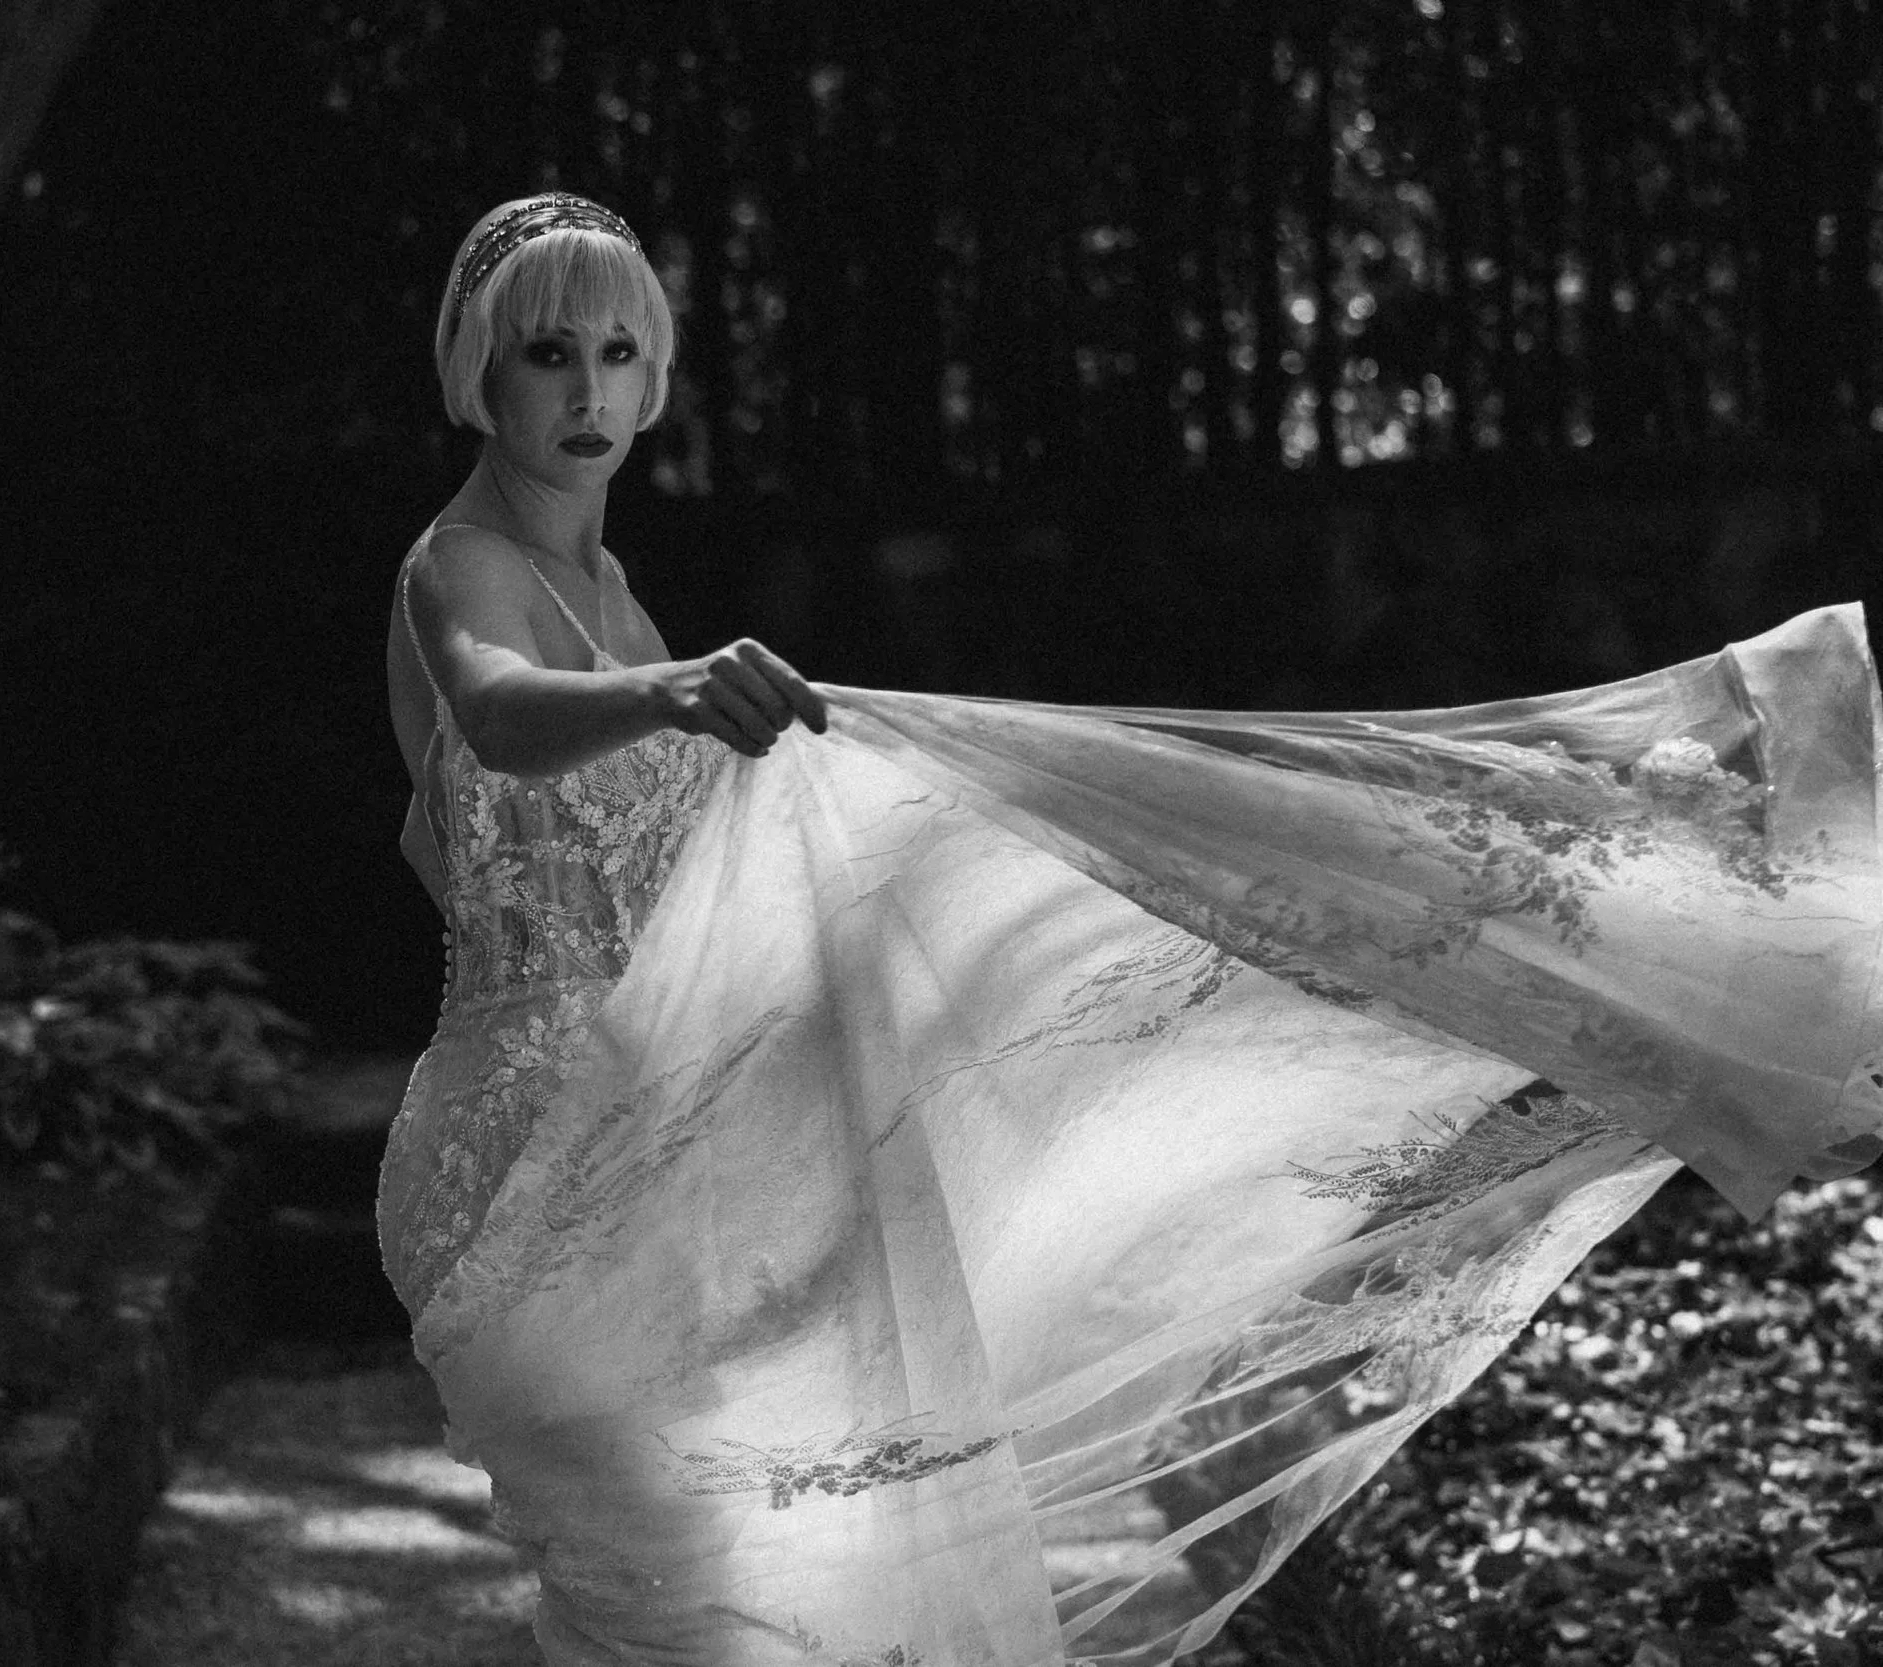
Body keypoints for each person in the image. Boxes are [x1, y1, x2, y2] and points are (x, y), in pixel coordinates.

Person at [380, 192, 1883, 1666]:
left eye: (618, 354)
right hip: (533, 1138)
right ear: (479, 369)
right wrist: (669, 695)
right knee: (667, 1566)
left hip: (662, 1108)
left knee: (722, 1573)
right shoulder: (464, 564)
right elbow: (502, 715)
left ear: (653, 379)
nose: (587, 392)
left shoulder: (613, 586)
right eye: (547, 354)